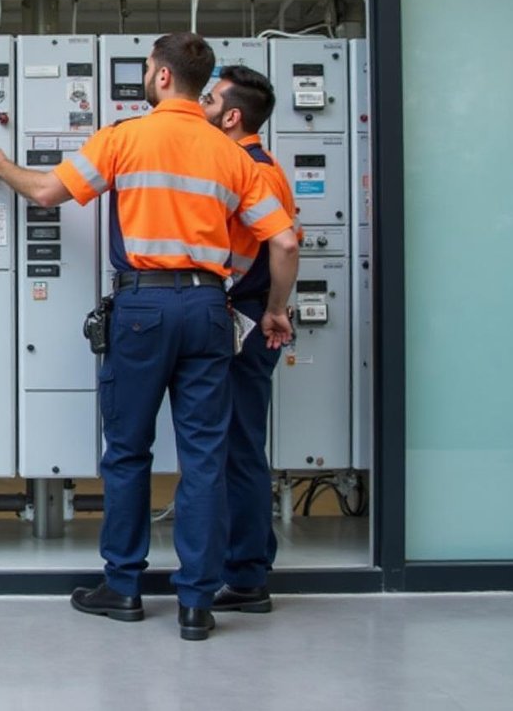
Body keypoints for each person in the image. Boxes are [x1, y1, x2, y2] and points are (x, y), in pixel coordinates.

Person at [0, 33, 299, 641]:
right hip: (209, 307)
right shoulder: (235, 154)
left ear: (164, 77)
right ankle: (197, 602)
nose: (146, 77)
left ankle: (122, 587)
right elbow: (283, 241)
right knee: (204, 458)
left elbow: (47, 192)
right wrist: (276, 309)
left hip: (143, 306)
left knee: (127, 451)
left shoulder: (125, 137)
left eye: (148, 69)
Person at [199, 64, 296, 616]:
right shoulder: (263, 166)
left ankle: (247, 576)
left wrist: (272, 311)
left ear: (231, 116)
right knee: (240, 447)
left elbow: (280, 247)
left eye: (209, 100)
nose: (200, 106)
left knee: (237, 450)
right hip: (253, 317)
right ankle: (250, 564)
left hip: (245, 320)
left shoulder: (250, 169)